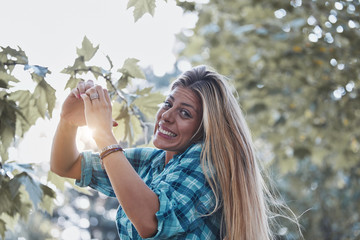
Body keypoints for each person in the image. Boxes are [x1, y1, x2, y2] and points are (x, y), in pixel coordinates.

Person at [50, 65, 276, 239]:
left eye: (185, 113)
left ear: (205, 128)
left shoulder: (207, 164)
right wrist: (68, 122)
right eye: (168, 104)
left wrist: (103, 134)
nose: (167, 116)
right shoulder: (151, 164)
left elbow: (151, 220)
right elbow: (66, 165)